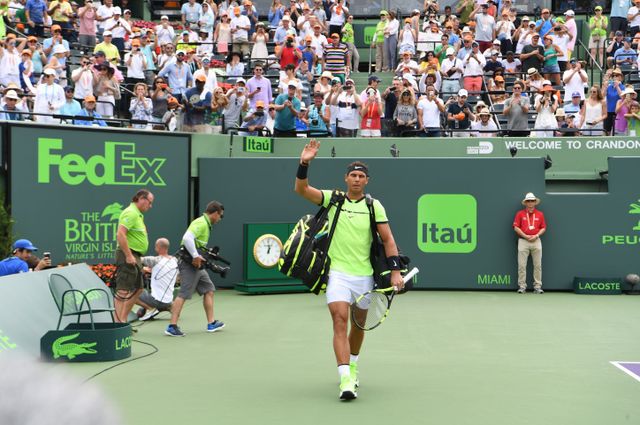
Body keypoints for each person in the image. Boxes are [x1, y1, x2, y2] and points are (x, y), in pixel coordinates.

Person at [294, 139, 405, 400]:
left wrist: (396, 271)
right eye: (353, 175)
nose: (356, 179)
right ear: (346, 178)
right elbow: (301, 190)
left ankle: (353, 364)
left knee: (358, 325)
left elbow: (388, 239)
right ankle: (345, 378)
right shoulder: (333, 200)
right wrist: (304, 163)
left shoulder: (373, 205)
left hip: (364, 276)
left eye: (361, 176)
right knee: (339, 320)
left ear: (366, 181)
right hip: (338, 275)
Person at [166, 201, 225, 337]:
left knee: (208, 290)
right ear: (215, 213)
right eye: (220, 216)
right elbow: (187, 238)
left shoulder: (205, 224)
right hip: (189, 264)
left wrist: (197, 257)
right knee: (183, 294)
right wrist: (195, 256)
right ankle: (172, 326)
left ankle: (211, 323)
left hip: (197, 266)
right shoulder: (201, 223)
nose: (220, 219)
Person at [114, 189, 154, 324]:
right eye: (150, 202)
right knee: (123, 290)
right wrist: (128, 255)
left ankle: (122, 320)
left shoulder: (138, 215)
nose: (150, 206)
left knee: (138, 288)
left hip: (134, 255)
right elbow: (120, 234)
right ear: (142, 199)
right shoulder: (130, 213)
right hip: (128, 254)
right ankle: (118, 323)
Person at [136, 238, 178, 321]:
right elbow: (176, 277)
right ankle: (170, 308)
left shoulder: (154, 260)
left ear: (158, 247)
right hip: (169, 301)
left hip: (157, 301)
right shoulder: (175, 260)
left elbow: (136, 260)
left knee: (131, 292)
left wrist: (143, 268)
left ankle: (150, 308)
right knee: (172, 308)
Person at [513, 192, 546, 294]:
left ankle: (537, 286)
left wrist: (536, 236)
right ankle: (522, 286)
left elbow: (543, 227)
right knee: (522, 265)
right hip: (523, 241)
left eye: (532, 201)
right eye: (528, 201)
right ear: (525, 203)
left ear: (535, 202)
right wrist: (525, 236)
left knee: (538, 265)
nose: (531, 203)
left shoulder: (540, 214)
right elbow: (516, 227)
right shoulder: (520, 214)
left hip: (536, 241)